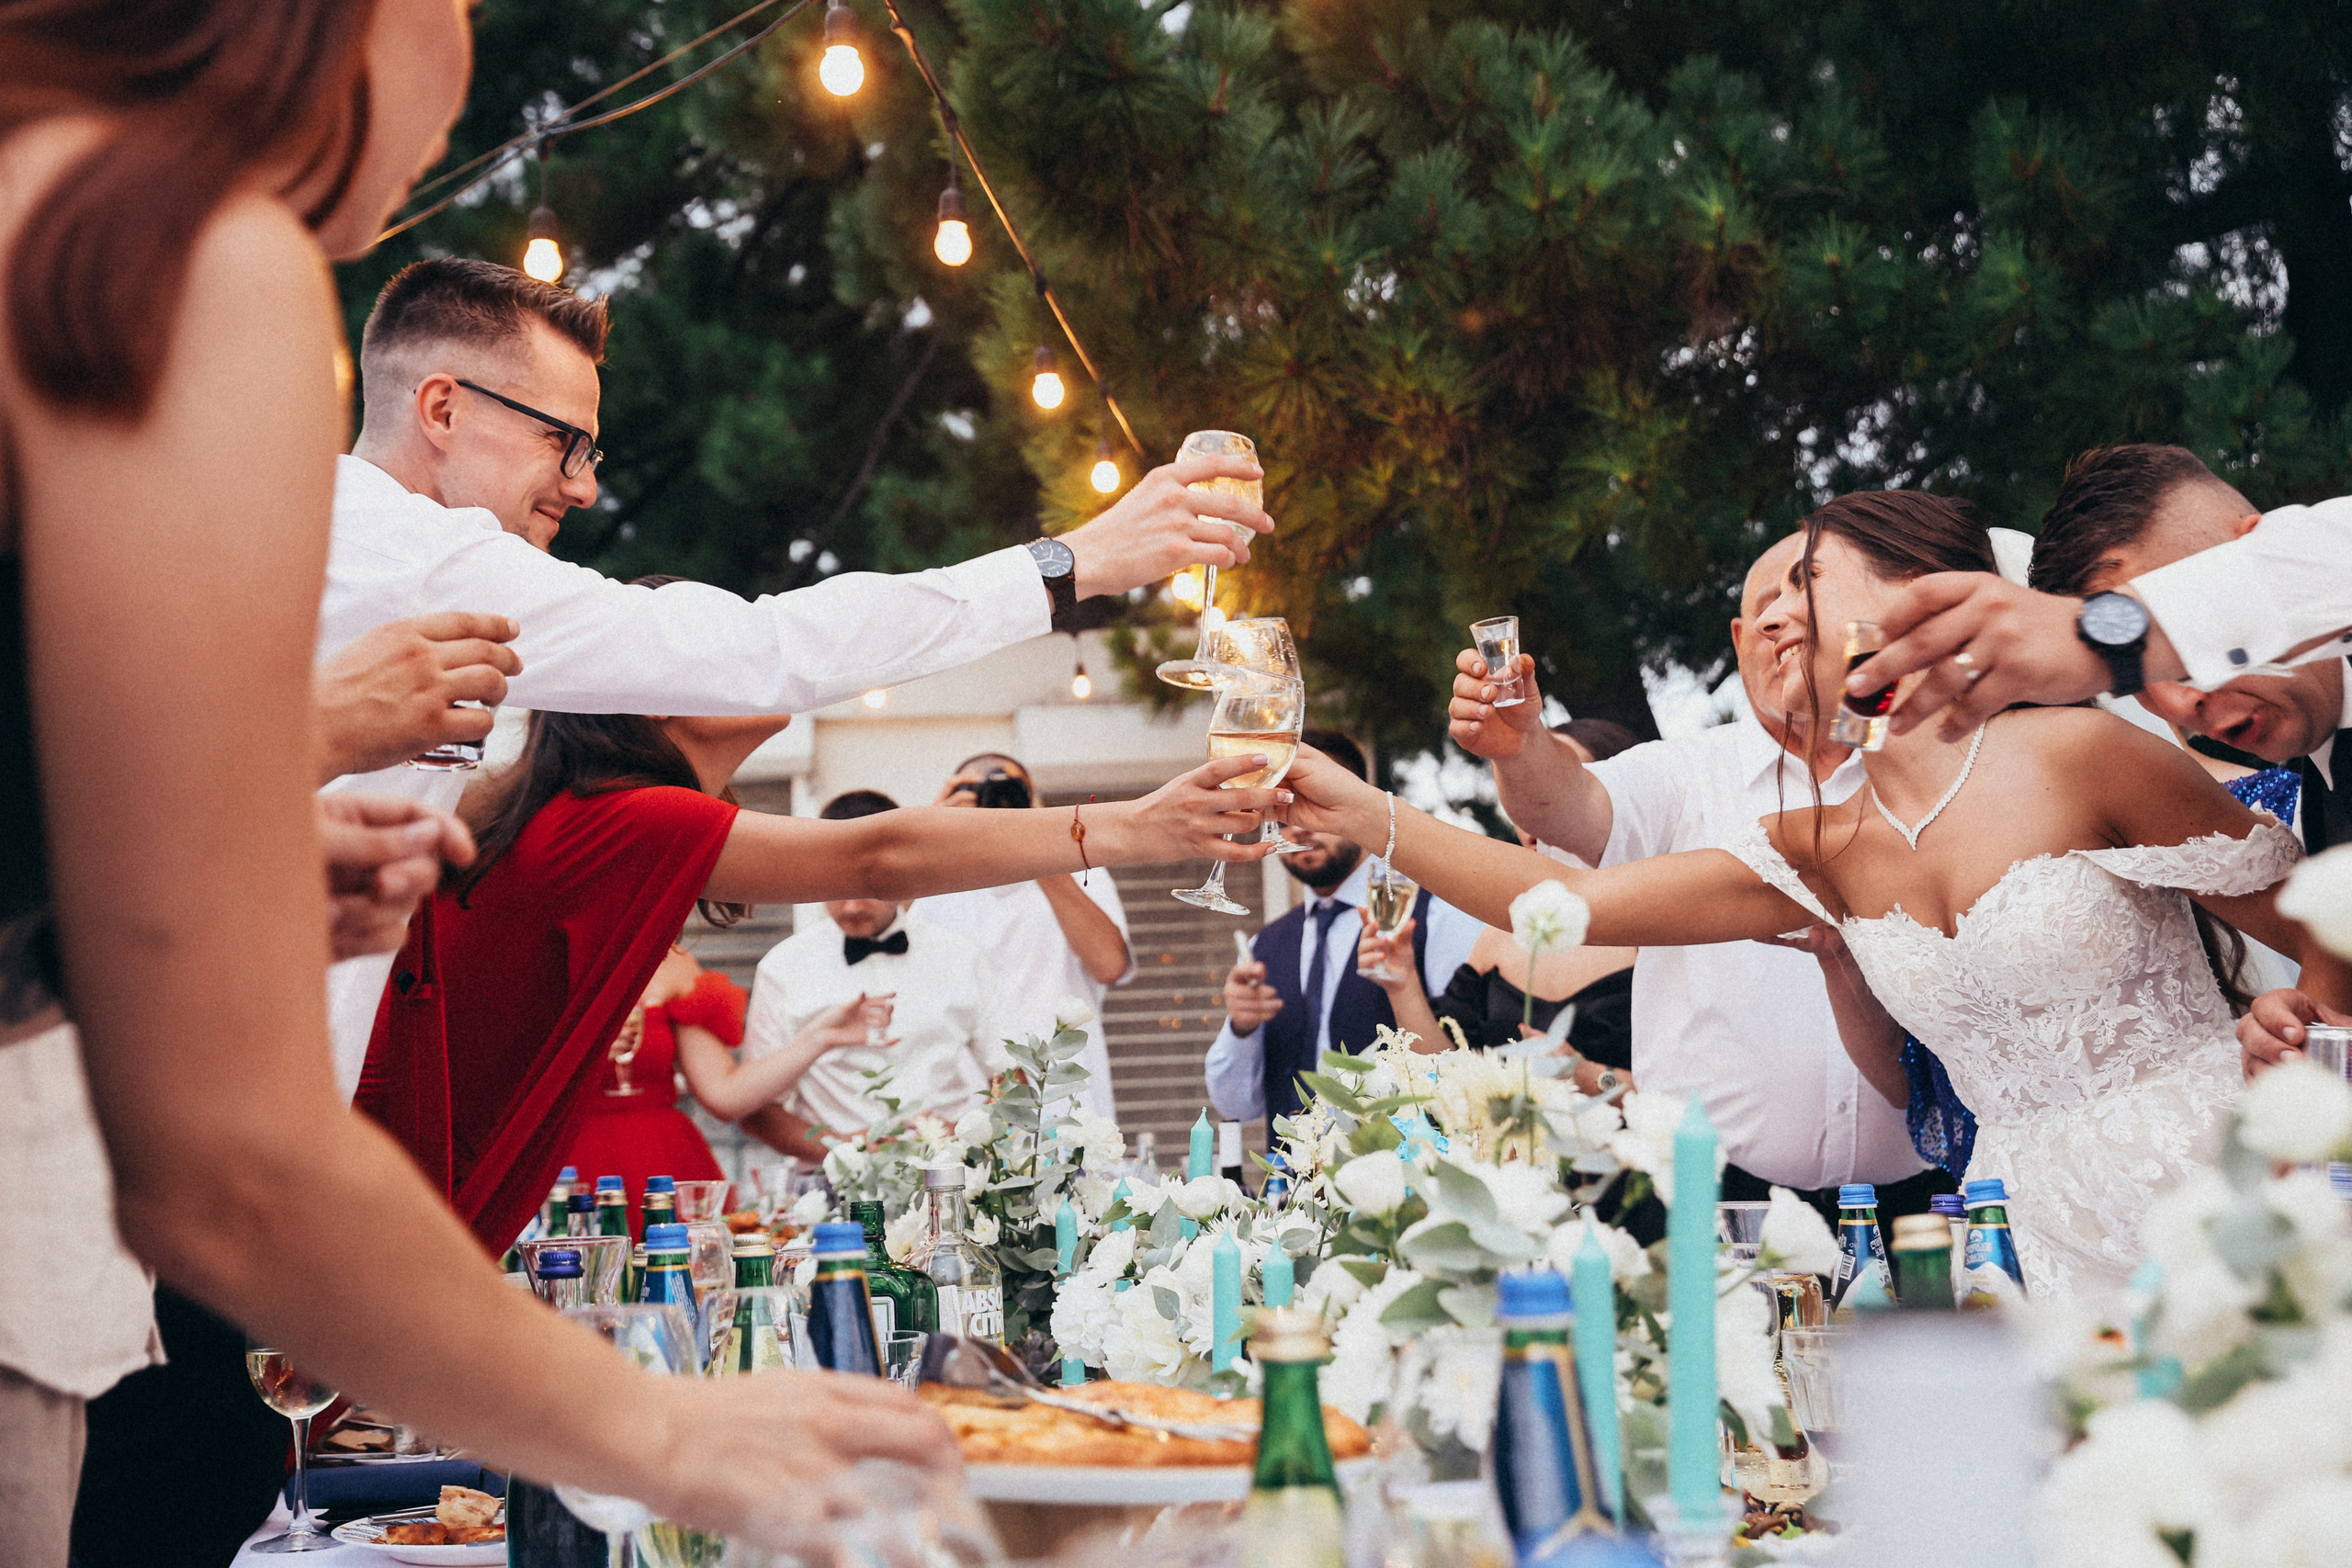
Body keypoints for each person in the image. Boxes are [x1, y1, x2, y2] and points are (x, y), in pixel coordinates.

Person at [6, 6, 953, 1566]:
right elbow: (222, 1166)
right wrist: (661, 1430)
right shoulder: (166, 258)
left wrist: (213, 839)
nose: (460, 56)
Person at [1281, 491, 2306, 1303]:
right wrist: (1367, 813)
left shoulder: (2075, 752)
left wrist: (2300, 1045)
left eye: (1804, 581)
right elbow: (1562, 906)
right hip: (2017, 1233)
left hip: (2213, 1187)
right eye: (1758, 600)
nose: (1769, 610)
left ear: (1925, 597)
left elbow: (2321, 928)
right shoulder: (1824, 848)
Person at [316, 255, 1275, 1095]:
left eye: (592, 451)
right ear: (441, 408)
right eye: (561, 441)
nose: (584, 484)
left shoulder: (361, 552)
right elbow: (769, 659)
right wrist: (1076, 564)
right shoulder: (417, 555)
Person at [358, 707, 1281, 1256]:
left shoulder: (580, 818)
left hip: (423, 1209)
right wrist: (1134, 823)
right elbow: (878, 854)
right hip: (393, 1215)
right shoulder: (621, 819)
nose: (759, 673)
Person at [1444, 536, 1939, 1225]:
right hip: (1718, 1199)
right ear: (1738, 639)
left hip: (1931, 1191)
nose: (1780, 620)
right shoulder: (1685, 773)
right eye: (1768, 602)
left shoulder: (1928, 769)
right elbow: (1565, 804)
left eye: (1810, 595)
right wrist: (1521, 746)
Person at [1848, 465, 2352, 748]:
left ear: (2261, 545)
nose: (2178, 707)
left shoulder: (2330, 549)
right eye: (2129, 682)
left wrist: (2101, 637)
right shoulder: (2313, 819)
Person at [1204, 732, 1480, 1122]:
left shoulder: (1435, 917)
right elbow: (1235, 1106)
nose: (1298, 827)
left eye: (1315, 805)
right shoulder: (1266, 943)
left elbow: (1471, 1079)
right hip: (1291, 1178)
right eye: (1283, 811)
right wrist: (1242, 1029)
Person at [1362, 719, 1640, 1095]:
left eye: (1561, 782)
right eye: (1523, 787)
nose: (1535, 809)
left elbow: (1690, 1097)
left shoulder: (1659, 931)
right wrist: (1402, 982)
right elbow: (1441, 1076)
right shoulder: (1501, 931)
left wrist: (1587, 1076)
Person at [739, 790, 1008, 1158]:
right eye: (835, 884)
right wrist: (846, 1152)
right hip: (831, 1190)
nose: (850, 906)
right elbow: (754, 1110)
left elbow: (1011, 1080)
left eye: (866, 886)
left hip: (947, 1174)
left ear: (905, 872)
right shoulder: (782, 967)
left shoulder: (960, 956)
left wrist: (967, 1136)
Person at [912, 752, 1132, 1119]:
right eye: (978, 790)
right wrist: (929, 835)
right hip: (963, 1107)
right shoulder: (935, 878)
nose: (996, 805)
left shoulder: (1079, 869)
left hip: (1065, 1103)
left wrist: (1040, 846)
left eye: (1011, 792)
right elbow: (886, 947)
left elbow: (1109, 965)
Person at [561, 943, 751, 1231]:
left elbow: (724, 1093)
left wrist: (819, 1038)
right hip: (576, 1154)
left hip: (665, 1154)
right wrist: (585, 1053)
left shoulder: (671, 958)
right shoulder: (538, 961)